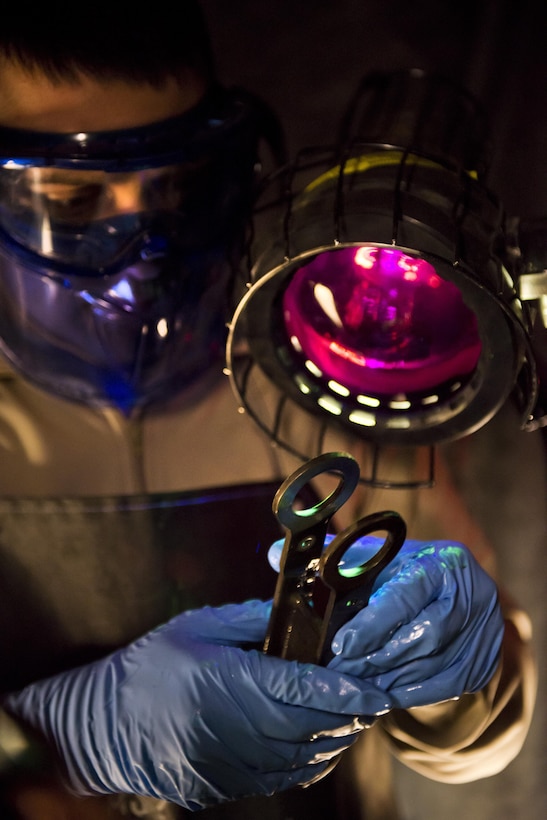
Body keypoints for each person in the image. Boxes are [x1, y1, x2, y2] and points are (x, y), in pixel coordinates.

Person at [0, 4, 537, 819]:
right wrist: (73, 736)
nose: (144, 248)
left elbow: (471, 742)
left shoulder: (321, 377)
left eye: (176, 187)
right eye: (73, 201)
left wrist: (452, 674)